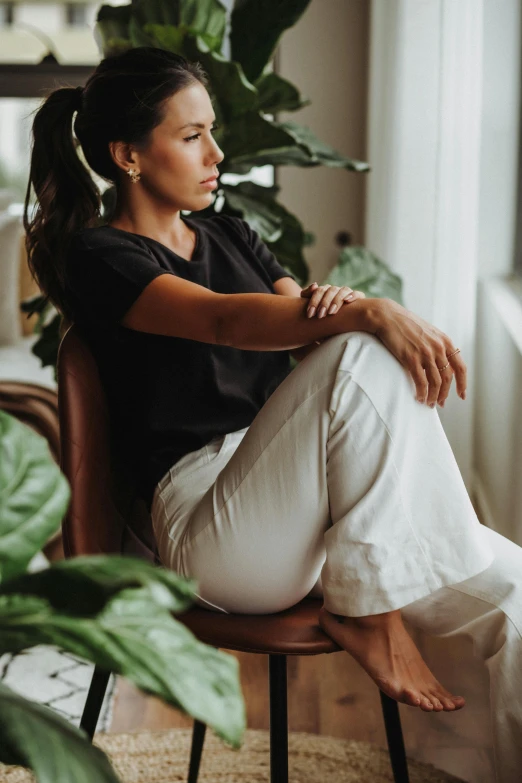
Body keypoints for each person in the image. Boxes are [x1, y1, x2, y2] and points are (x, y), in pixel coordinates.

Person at [23, 46, 521, 781]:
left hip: (304, 509)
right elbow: (229, 323)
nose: (216, 153)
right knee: (362, 350)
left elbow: (300, 312)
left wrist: (338, 307)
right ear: (128, 155)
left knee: (511, 593)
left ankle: (469, 764)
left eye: (212, 131)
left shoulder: (230, 233)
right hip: (210, 532)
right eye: (191, 136)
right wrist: (366, 312)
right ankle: (367, 607)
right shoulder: (103, 258)